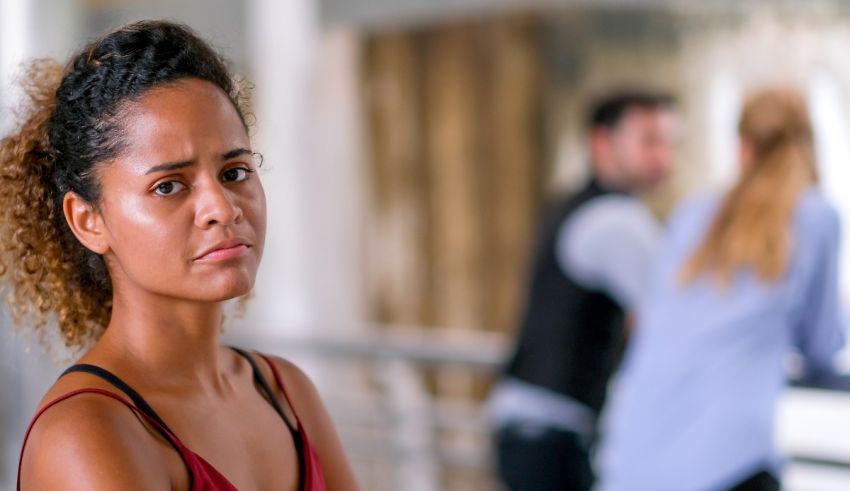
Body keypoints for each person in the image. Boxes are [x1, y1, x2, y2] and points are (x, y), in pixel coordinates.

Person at [3, 21, 360, 490]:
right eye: (168, 186)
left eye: (234, 172)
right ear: (89, 220)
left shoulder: (285, 391)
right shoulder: (86, 434)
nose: (223, 208)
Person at [598, 87, 845, 491]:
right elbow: (822, 343)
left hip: (638, 451)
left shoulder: (692, 214)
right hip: (729, 460)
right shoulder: (816, 216)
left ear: (742, 148)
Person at [488, 91, 679, 490]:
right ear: (600, 142)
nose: (664, 156)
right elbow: (677, 314)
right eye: (649, 140)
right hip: (551, 435)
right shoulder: (617, 220)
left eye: (670, 143)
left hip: (528, 426)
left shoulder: (570, 204)